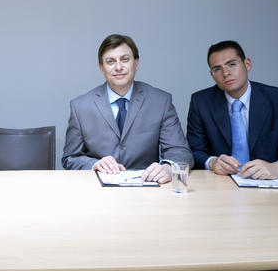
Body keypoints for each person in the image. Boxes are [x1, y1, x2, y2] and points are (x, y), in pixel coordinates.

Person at [62, 34, 193, 183]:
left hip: (148, 186)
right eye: (110, 61)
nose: (118, 67)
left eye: (125, 59)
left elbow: (180, 151)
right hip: (98, 190)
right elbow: (70, 158)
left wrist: (168, 168)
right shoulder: (80, 106)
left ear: (136, 64)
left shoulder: (160, 101)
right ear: (101, 68)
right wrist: (93, 164)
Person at [187, 40, 278, 179]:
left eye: (232, 64)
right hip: (221, 183)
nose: (226, 73)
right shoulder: (201, 102)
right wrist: (212, 162)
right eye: (217, 69)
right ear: (212, 74)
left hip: (269, 185)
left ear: (247, 64)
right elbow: (193, 152)